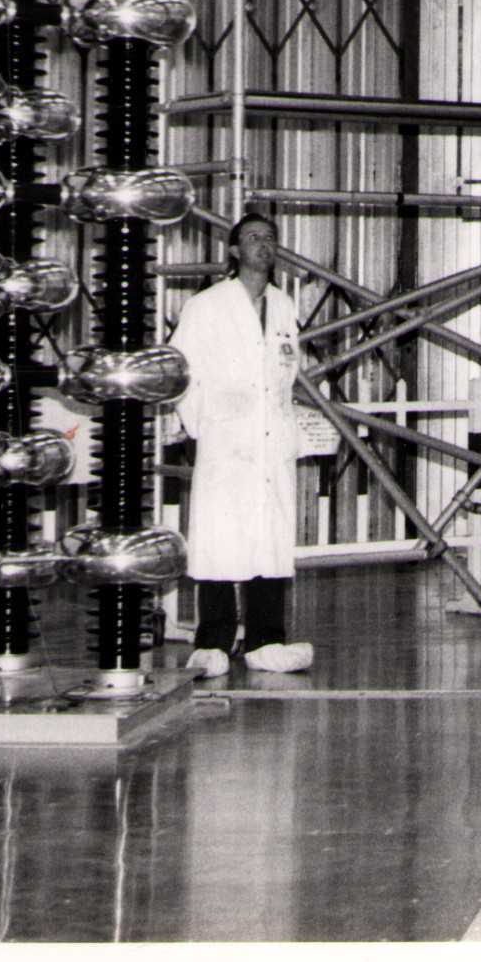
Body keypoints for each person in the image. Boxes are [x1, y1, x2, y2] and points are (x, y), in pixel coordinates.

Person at [167, 213, 313, 676]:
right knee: (220, 538)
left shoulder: (283, 305)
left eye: (270, 237)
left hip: (272, 442)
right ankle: (213, 640)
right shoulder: (206, 306)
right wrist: (204, 424)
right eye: (253, 237)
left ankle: (266, 640)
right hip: (226, 442)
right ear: (234, 251)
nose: (263, 244)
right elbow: (179, 370)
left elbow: (287, 372)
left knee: (270, 540)